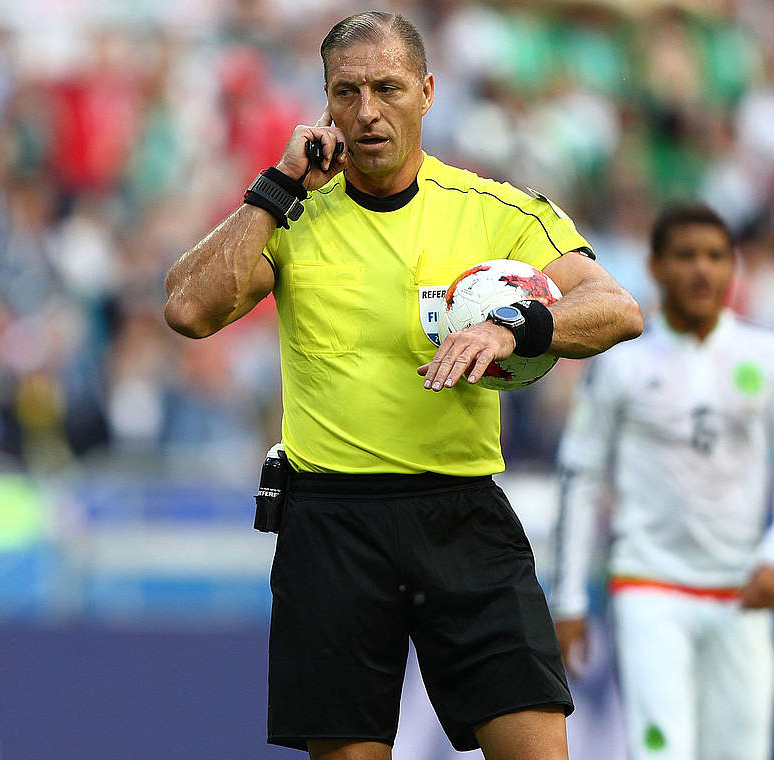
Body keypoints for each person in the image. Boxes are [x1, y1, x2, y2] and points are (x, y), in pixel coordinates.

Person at [164, 11, 643, 760]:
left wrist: (516, 328)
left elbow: (616, 307)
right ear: (324, 103)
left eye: (387, 88)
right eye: (346, 92)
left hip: (461, 512)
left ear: (426, 92)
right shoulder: (292, 216)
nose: (366, 111)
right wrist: (277, 183)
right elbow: (188, 309)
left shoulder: (491, 211)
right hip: (331, 521)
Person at [550, 203, 774, 760]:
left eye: (716, 257)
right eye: (686, 256)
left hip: (741, 591)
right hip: (649, 588)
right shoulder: (621, 363)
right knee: (661, 753)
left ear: (733, 267)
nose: (703, 270)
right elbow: (580, 477)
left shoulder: (769, 355)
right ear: (655, 268)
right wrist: (570, 599)